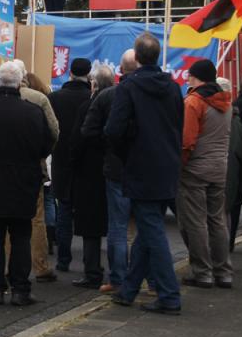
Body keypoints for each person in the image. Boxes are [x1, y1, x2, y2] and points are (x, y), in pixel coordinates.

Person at [106, 33, 183, 315]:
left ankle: (169, 295)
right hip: (168, 165)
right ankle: (128, 289)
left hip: (141, 165)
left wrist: (127, 153)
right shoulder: (174, 88)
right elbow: (179, 124)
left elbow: (114, 130)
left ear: (136, 58)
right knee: (147, 230)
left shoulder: (130, 87)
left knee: (152, 231)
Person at [0, 62, 51, 306]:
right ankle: (20, 289)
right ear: (19, 83)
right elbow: (45, 145)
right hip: (23, 181)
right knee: (20, 236)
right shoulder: (33, 112)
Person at [82, 49, 137, 293]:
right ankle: (154, 280)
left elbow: (89, 131)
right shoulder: (162, 92)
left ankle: (119, 279)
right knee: (148, 226)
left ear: (121, 70)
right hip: (148, 167)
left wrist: (109, 146)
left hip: (116, 167)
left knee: (118, 226)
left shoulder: (108, 96)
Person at [176, 59, 233, 289]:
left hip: (195, 169)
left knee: (195, 222)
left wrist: (180, 165)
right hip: (219, 168)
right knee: (217, 221)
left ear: (195, 77)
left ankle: (203, 272)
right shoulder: (226, 102)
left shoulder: (193, 102)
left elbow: (186, 141)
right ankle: (224, 271)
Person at [70, 66, 115, 290]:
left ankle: (92, 272)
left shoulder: (88, 107)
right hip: (114, 170)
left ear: (94, 85)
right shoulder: (120, 104)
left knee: (90, 228)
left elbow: (78, 142)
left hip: (89, 173)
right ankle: (117, 272)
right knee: (117, 226)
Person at [47, 58, 92, 272]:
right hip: (87, 161)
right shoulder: (92, 98)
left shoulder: (55, 98)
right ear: (88, 74)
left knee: (63, 209)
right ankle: (90, 261)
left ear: (70, 73)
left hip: (61, 159)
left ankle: (63, 259)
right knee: (87, 212)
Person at [16, 65, 60, 283]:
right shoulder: (40, 99)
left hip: (3, 169)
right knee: (36, 218)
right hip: (33, 166)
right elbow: (54, 131)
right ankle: (40, 266)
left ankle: (8, 266)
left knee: (4, 219)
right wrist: (43, 153)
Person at [220, 78, 242, 252]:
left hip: (223, 173)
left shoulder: (230, 116)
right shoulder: (233, 116)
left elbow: (235, 151)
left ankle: (221, 252)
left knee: (222, 214)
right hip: (226, 172)